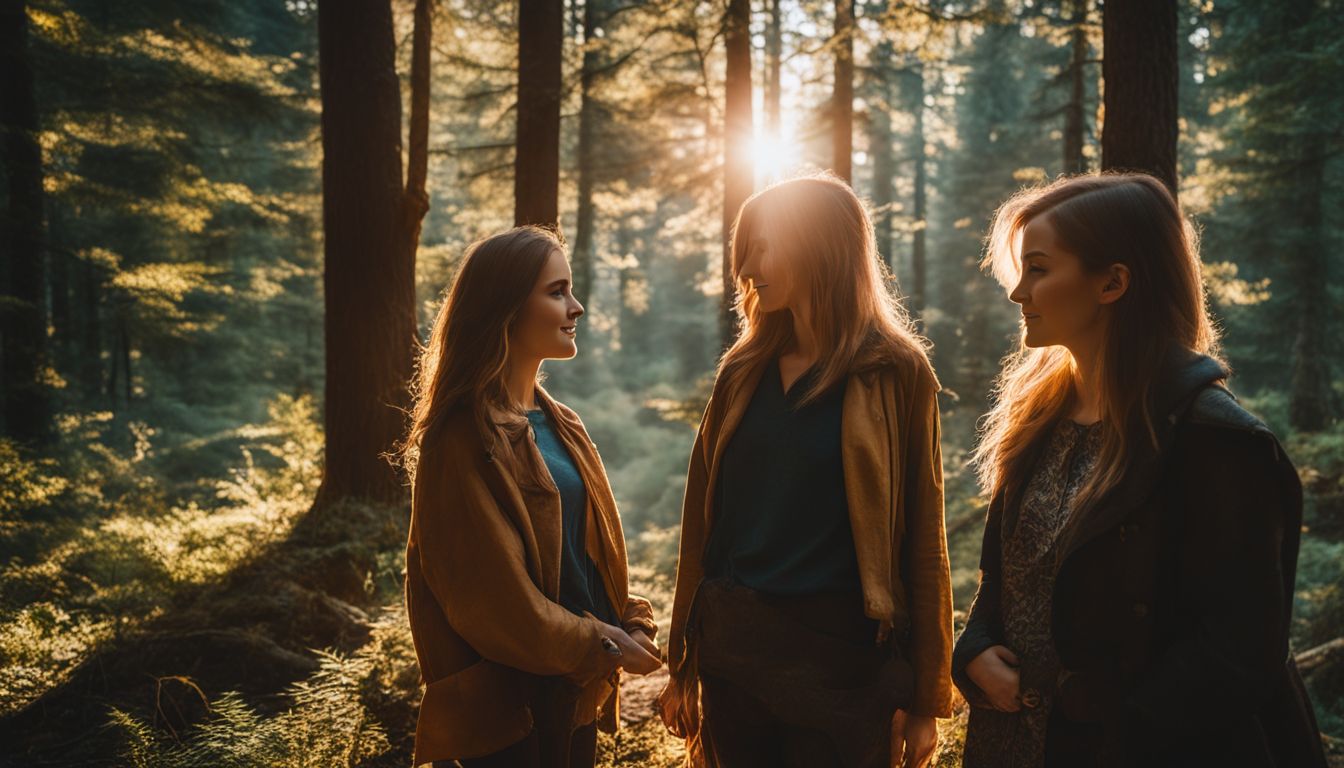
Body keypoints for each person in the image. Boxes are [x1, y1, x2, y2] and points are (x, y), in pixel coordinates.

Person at [952, 172, 1327, 767]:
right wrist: (971, 649)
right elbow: (1010, 575)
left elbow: (1239, 652)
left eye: (1040, 269)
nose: (1018, 292)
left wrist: (1109, 729)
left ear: (1114, 282)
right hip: (1011, 746)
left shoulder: (1216, 442)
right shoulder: (1037, 418)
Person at [658, 172, 954, 768]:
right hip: (734, 656)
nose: (746, 268)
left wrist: (927, 698)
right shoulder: (741, 372)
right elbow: (702, 531)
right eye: (746, 251)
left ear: (819, 247)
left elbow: (925, 543)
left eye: (764, 247)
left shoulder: (896, 371)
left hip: (843, 664)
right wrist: (682, 664)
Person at [402, 225, 662, 768]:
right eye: (557, 291)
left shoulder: (561, 423)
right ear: (505, 308)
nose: (577, 307)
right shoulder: (462, 438)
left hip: (574, 697)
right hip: (506, 717)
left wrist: (628, 618)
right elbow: (497, 607)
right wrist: (603, 641)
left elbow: (584, 561)